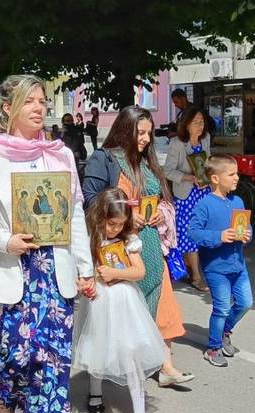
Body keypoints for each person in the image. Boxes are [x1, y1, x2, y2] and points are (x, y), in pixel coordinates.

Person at [0, 74, 94, 413]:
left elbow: (73, 214)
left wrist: (85, 268)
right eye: (29, 102)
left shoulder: (60, 155)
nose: (39, 108)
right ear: (9, 109)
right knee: (15, 352)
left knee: (54, 355)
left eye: (42, 101)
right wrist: (5, 240)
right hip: (13, 266)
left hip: (53, 269)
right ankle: (3, 394)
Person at [82, 105, 195, 387]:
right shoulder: (104, 159)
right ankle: (116, 370)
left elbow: (161, 199)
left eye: (148, 133)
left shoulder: (147, 164)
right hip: (119, 244)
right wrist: (124, 213)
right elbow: (89, 198)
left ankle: (165, 364)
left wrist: (160, 212)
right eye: (140, 132)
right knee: (124, 308)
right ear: (124, 130)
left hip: (152, 243)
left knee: (163, 300)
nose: (145, 139)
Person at [73, 187, 165, 413]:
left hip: (125, 300)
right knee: (98, 343)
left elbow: (139, 271)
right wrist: (86, 282)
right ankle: (95, 393)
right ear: (99, 216)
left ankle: (140, 412)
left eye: (120, 224)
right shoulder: (90, 241)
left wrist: (116, 273)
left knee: (130, 349)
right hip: (99, 301)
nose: (114, 229)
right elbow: (83, 271)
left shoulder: (128, 241)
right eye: (111, 223)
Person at [188, 154, 253, 368]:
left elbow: (246, 225)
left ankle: (225, 331)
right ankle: (214, 347)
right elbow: (194, 233)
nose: (237, 178)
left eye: (237, 174)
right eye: (231, 174)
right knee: (222, 307)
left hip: (238, 265)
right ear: (215, 178)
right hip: (216, 268)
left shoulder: (238, 201)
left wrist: (247, 234)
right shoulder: (205, 204)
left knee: (245, 303)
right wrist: (219, 236)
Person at [164, 105, 212, 292]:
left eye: (202, 122)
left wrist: (206, 176)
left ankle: (195, 268)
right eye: (196, 122)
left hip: (203, 192)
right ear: (187, 125)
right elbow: (168, 171)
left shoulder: (205, 139)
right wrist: (189, 177)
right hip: (186, 195)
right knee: (189, 234)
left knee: (203, 230)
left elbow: (207, 162)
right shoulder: (177, 143)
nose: (200, 126)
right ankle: (196, 276)